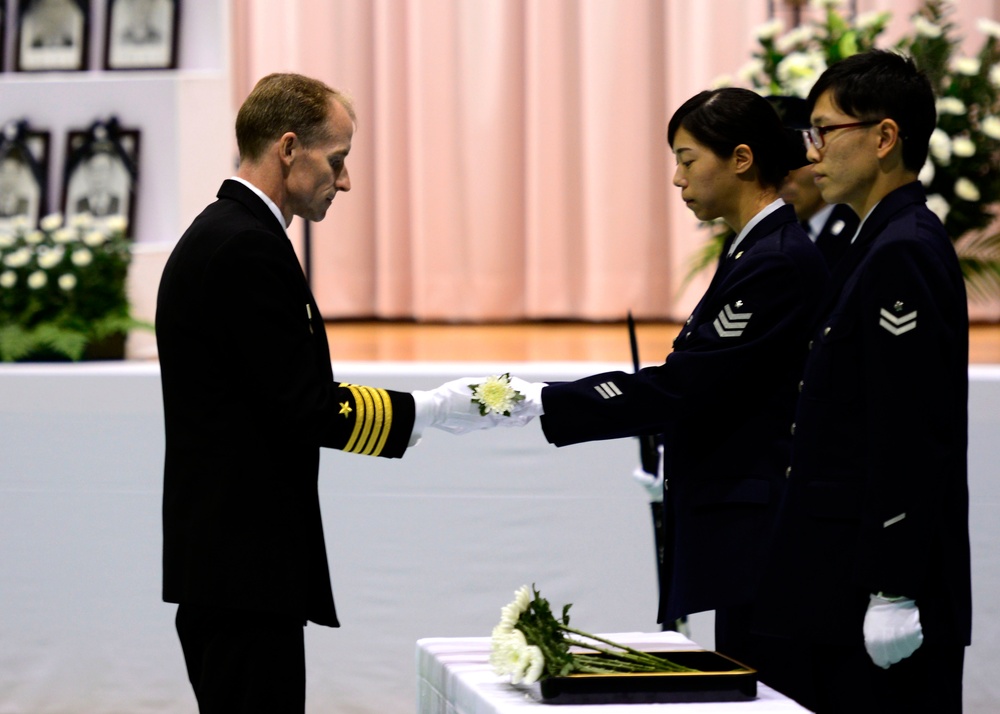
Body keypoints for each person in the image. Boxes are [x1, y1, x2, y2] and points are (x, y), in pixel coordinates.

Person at [156, 73, 521, 713]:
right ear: (289, 147)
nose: (345, 181)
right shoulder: (244, 246)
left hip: (231, 565)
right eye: (338, 159)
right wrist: (435, 409)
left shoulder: (228, 233)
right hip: (243, 568)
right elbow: (305, 405)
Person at [510, 87, 829, 670]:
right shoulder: (753, 249)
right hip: (746, 522)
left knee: (768, 686)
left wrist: (543, 401)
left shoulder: (775, 259)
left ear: (740, 159)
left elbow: (688, 384)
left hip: (764, 530)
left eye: (687, 161)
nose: (678, 180)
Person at [752, 50, 971, 713]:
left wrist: (893, 586)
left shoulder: (902, 249)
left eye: (824, 130)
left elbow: (908, 427)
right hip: (837, 577)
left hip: (872, 585)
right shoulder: (875, 239)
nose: (810, 150)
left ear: (883, 137)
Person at [770, 96, 860, 269]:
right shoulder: (756, 239)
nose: (781, 175)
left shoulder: (860, 230)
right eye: (768, 162)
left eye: (794, 157)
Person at [74, 152, 122, 218]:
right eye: (94, 170)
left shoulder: (118, 202)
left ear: (111, 173)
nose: (99, 175)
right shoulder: (80, 203)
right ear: (87, 173)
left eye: (103, 170)